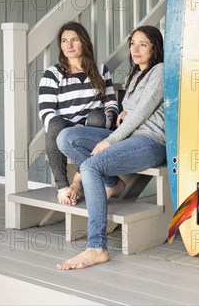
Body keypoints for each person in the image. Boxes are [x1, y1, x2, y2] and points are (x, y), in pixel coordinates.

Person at [55, 25, 166, 270]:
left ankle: (96, 247)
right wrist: (125, 111)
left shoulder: (160, 71)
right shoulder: (136, 74)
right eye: (133, 43)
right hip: (128, 138)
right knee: (66, 137)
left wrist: (110, 140)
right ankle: (112, 183)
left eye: (143, 44)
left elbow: (142, 115)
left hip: (151, 142)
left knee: (93, 167)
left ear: (155, 49)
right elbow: (134, 110)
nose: (135, 49)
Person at [38, 21, 119, 206]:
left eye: (74, 40)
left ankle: (78, 182)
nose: (69, 45)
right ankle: (63, 187)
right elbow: (46, 110)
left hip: (94, 125)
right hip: (65, 126)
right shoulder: (52, 74)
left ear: (84, 42)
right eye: (64, 41)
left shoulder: (100, 70)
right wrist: (71, 126)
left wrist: (109, 115)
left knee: (97, 117)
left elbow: (111, 102)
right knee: (55, 125)